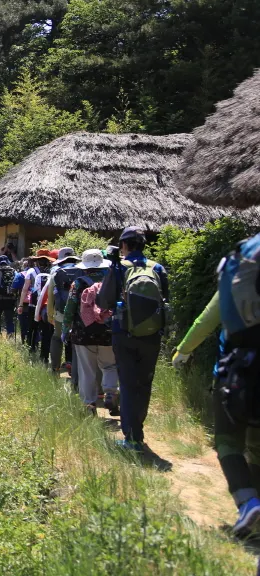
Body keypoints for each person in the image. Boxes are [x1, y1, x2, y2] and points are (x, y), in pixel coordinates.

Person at [173, 232, 260, 537]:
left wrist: (182, 351)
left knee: (228, 441)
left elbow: (206, 320)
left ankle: (248, 502)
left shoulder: (238, 265)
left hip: (238, 373)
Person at [97, 227, 169, 452]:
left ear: (124, 246)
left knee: (127, 384)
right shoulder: (157, 268)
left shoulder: (119, 267)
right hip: (152, 335)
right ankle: (138, 428)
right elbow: (164, 300)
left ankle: (132, 437)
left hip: (124, 332)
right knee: (144, 383)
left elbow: (103, 301)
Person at [61, 249, 118, 415]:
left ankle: (89, 405)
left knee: (87, 370)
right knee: (109, 366)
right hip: (108, 331)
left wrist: (65, 329)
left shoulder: (78, 283)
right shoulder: (112, 281)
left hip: (83, 332)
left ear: (84, 266)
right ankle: (110, 393)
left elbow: (69, 308)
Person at [45, 248, 82, 383]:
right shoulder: (82, 271)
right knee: (75, 342)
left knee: (57, 338)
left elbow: (50, 296)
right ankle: (74, 371)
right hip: (79, 314)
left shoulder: (56, 273)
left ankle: (55, 368)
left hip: (60, 313)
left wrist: (50, 314)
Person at [18, 250, 51, 348]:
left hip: (34, 301)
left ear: (36, 260)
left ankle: (31, 346)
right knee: (46, 327)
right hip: (47, 302)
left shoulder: (31, 271)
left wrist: (20, 304)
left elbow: (25, 289)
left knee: (32, 325)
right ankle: (45, 350)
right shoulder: (52, 271)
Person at [0, 255, 18, 336]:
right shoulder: (14, 271)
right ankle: (10, 335)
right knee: (9, 319)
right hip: (10, 298)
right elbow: (15, 285)